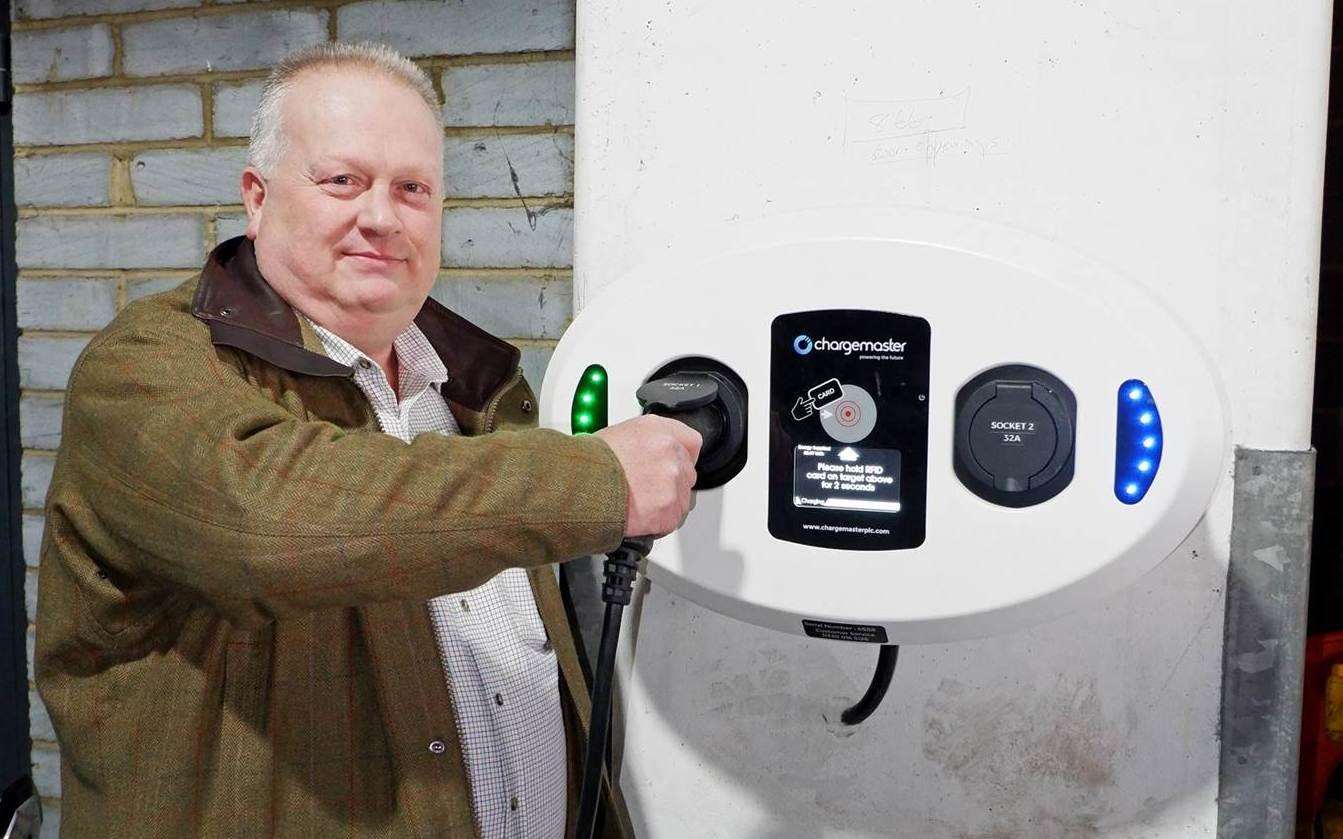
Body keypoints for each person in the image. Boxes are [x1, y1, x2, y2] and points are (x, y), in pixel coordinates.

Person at [33, 41, 700, 838]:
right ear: (256, 196)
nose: (381, 217)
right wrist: (595, 481)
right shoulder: (147, 367)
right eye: (342, 181)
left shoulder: (475, 389)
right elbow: (271, 520)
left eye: (412, 188)